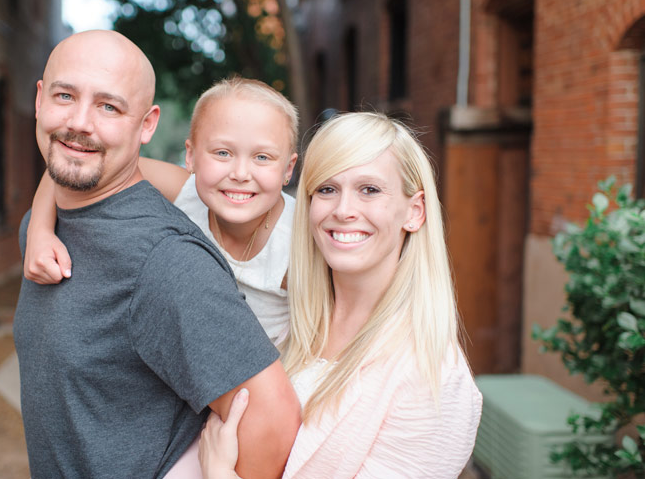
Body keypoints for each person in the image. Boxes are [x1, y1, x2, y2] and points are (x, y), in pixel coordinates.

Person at [12, 30, 301, 479]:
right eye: (65, 95)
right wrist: (39, 226)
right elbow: (72, 152)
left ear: (146, 125)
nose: (81, 121)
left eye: (109, 106)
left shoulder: (168, 261)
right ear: (39, 100)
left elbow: (274, 422)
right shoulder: (47, 225)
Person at [200, 112, 483, 478]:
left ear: (414, 212)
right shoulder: (284, 321)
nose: (343, 210)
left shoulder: (435, 378)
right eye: (327, 189)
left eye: (369, 190)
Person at [24, 76, 299, 340]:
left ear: (288, 168)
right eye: (222, 153)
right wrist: (39, 231)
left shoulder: (298, 242)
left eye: (262, 157)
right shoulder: (185, 191)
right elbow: (79, 162)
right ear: (190, 156)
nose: (240, 173)